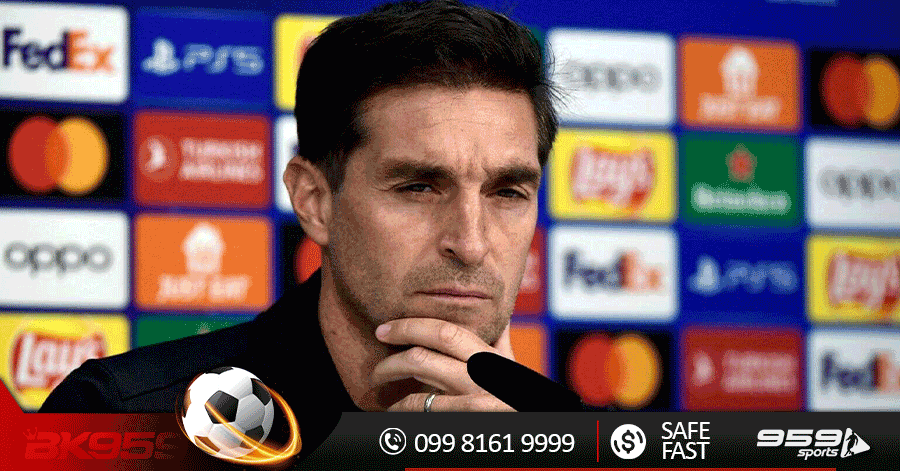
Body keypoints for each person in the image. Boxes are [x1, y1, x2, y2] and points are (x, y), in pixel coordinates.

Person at [40, 0, 558, 456]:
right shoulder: (120, 417)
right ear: (314, 201)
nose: (471, 243)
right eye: (418, 187)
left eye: (508, 193)